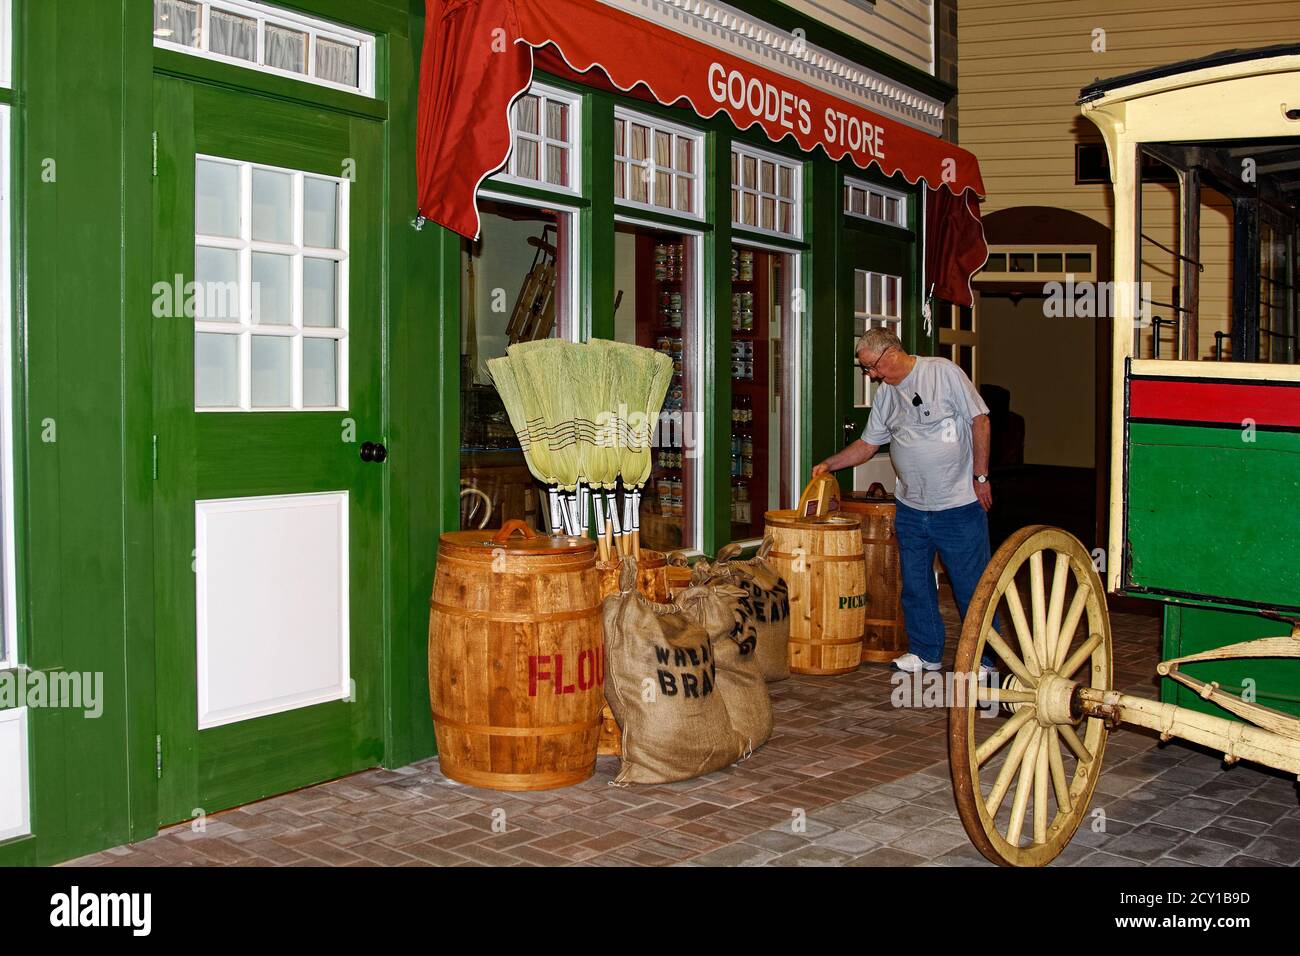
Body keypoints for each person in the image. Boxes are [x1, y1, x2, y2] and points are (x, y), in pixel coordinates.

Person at [813, 328, 994, 674]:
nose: (871, 376)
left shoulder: (942, 372)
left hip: (957, 504)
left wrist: (981, 476)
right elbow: (868, 445)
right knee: (914, 583)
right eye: (866, 370)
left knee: (971, 584)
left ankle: (982, 659)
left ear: (891, 353)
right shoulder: (886, 395)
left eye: (872, 368)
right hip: (911, 506)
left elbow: (979, 420)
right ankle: (926, 652)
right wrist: (829, 464)